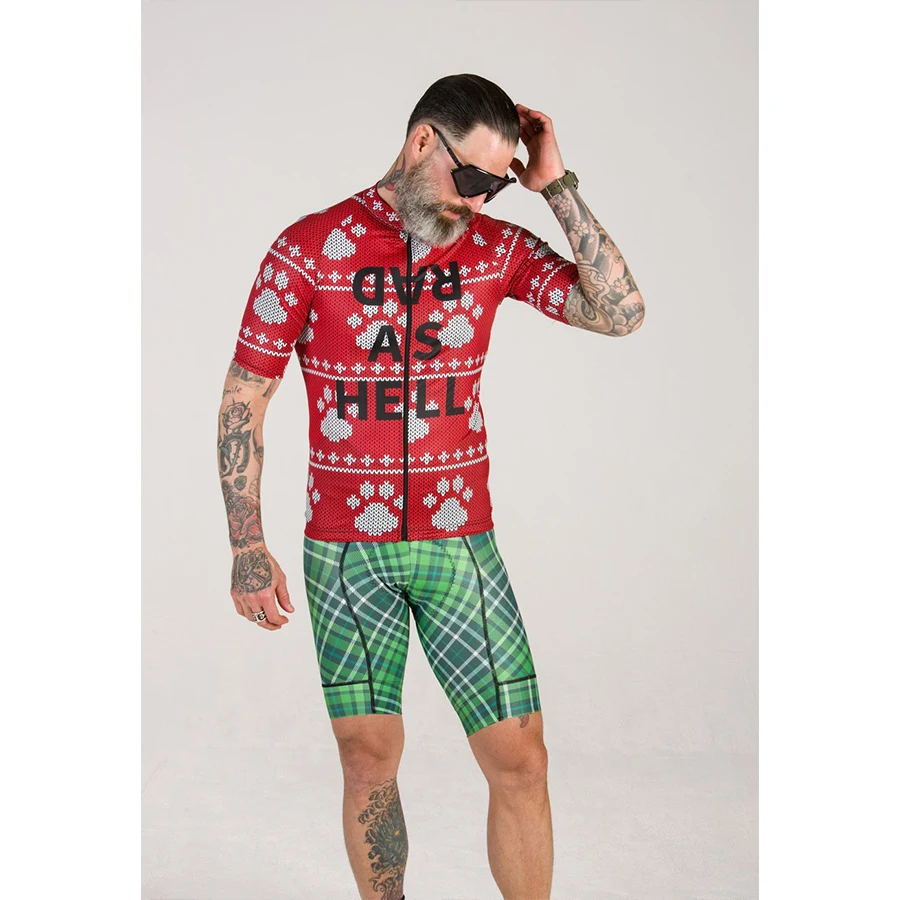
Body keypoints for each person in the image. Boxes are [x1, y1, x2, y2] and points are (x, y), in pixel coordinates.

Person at [217, 73, 644, 900]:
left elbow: (620, 312)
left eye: (495, 185)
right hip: (347, 557)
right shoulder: (306, 248)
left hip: (459, 547)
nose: (479, 201)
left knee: (520, 758)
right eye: (471, 177)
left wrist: (554, 186)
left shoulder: (494, 249)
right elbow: (245, 398)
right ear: (421, 142)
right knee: (367, 760)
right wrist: (246, 545)